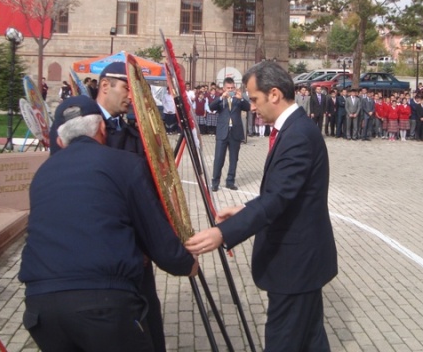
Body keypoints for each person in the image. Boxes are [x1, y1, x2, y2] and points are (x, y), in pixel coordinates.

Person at [20, 95, 198, 352]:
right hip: (103, 304)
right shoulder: (125, 165)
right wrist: (185, 264)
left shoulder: (42, 175)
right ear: (102, 129)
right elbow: (155, 233)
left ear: (60, 140)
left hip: (41, 307)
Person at [185, 61, 338, 352]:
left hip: (295, 264)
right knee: (310, 339)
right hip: (301, 263)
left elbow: (278, 198)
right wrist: (245, 208)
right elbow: (285, 192)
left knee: (285, 341)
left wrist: (223, 233)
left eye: (254, 99)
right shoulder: (293, 129)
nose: (251, 107)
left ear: (275, 94)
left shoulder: (298, 136)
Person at [48, 62, 168, 352]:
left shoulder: (130, 128)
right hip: (99, 256)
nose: (132, 96)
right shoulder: (75, 126)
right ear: (105, 86)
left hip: (136, 250)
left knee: (149, 326)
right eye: (128, 87)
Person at [209, 77, 250, 191]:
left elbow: (248, 108)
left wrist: (241, 99)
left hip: (235, 132)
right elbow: (211, 107)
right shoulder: (221, 99)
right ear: (223, 88)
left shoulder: (238, 99)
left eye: (232, 88)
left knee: (233, 159)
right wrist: (222, 97)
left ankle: (230, 181)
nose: (231, 90)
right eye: (228, 88)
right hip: (222, 132)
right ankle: (215, 182)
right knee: (218, 158)